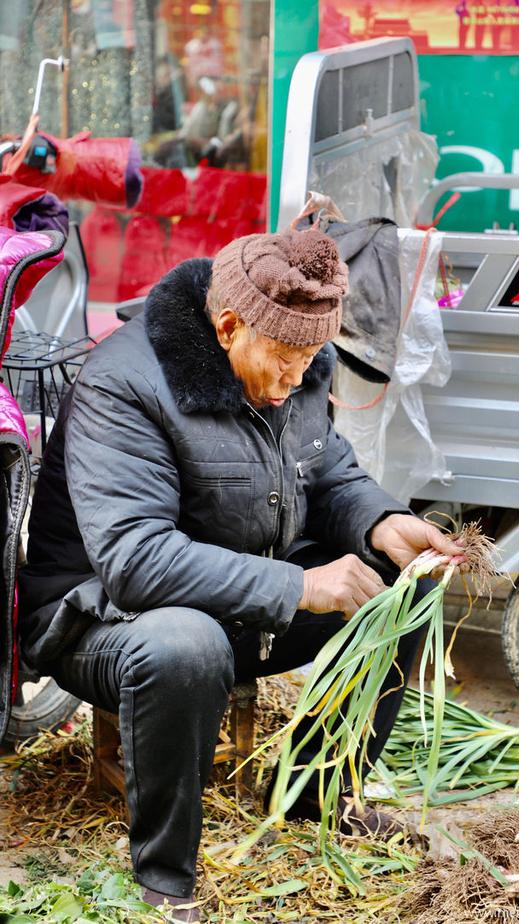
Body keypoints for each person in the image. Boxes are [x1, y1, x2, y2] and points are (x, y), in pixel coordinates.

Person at [18, 228, 464, 922]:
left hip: (236, 601)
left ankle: (320, 794)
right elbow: (135, 560)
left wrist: (381, 521)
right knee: (185, 645)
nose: (298, 378)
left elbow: (330, 473)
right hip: (98, 616)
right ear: (228, 327)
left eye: (312, 359)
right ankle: (165, 876)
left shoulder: (299, 361)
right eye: (286, 361)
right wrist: (301, 587)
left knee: (408, 579)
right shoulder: (125, 384)